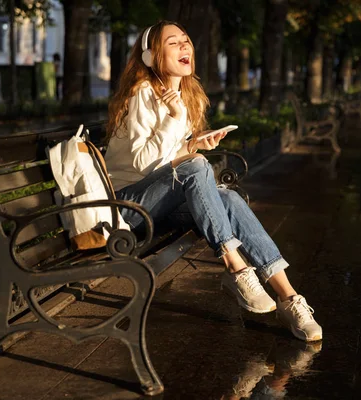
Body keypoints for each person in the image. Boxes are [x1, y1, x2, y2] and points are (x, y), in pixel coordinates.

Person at [104, 20, 322, 342]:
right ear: (151, 57)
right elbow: (141, 164)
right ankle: (236, 269)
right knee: (197, 167)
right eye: (173, 42)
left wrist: (191, 145)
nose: (184, 47)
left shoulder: (184, 95)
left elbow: (164, 160)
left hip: (156, 202)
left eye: (186, 40)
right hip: (127, 207)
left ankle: (289, 298)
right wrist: (176, 124)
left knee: (229, 199)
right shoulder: (143, 94)